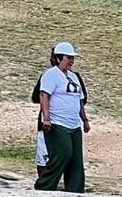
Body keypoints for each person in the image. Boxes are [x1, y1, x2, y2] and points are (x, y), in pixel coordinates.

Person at [36, 41, 89, 192]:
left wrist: (84, 119)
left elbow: (79, 99)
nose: (71, 61)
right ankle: (44, 186)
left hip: (74, 124)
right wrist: (46, 118)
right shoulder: (51, 75)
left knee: (76, 160)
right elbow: (44, 95)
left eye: (73, 58)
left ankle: (75, 190)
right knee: (64, 153)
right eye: (68, 57)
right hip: (57, 122)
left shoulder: (74, 77)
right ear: (59, 58)